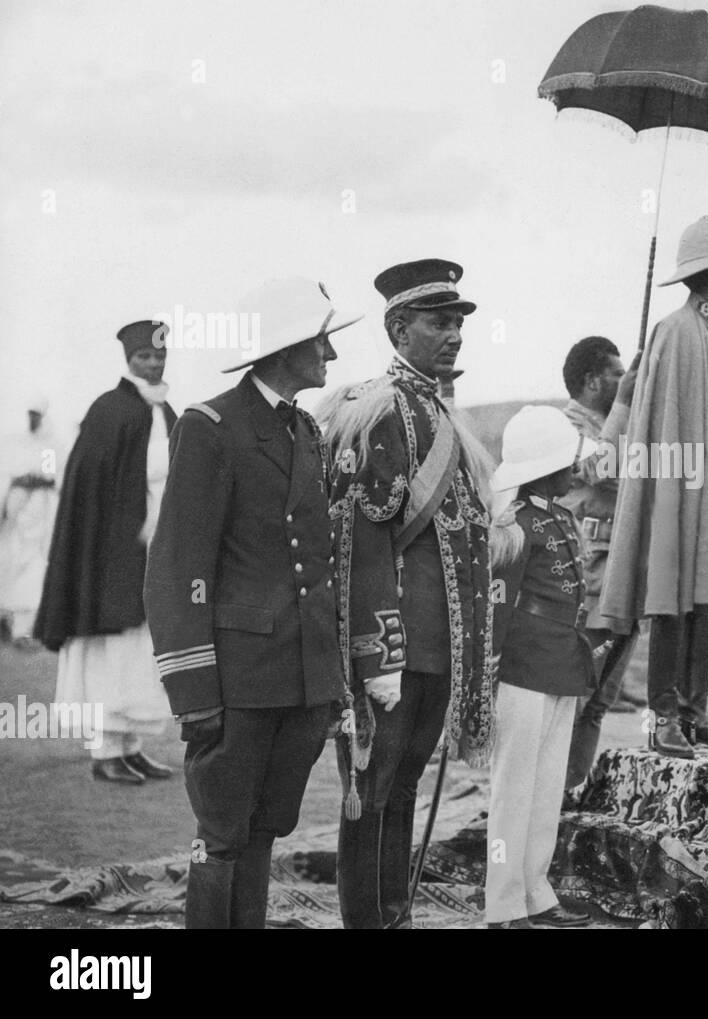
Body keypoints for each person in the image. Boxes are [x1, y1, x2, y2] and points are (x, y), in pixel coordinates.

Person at [144, 278, 359, 928]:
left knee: (264, 831)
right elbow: (178, 571)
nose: (332, 353)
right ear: (287, 345)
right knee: (221, 838)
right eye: (322, 338)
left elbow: (318, 566)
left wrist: (331, 685)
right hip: (236, 685)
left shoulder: (307, 431)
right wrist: (195, 692)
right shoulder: (210, 428)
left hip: (298, 683)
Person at [319, 259, 497, 929]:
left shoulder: (440, 409)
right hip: (391, 641)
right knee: (371, 784)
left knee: (406, 782)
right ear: (399, 327)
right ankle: (367, 918)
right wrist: (373, 649)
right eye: (439, 321)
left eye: (457, 322)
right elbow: (353, 541)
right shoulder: (377, 408)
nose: (454, 334)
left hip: (440, 641)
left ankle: (394, 913)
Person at [601, 216, 708, 758]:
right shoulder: (676, 332)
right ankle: (663, 716)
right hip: (687, 480)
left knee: (707, 596)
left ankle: (696, 712)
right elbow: (669, 423)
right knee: (674, 593)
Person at [35, 321, 176, 784]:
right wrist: (126, 530)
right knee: (111, 646)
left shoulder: (166, 411)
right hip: (114, 552)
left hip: (155, 547)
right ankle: (104, 748)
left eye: (159, 356)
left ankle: (131, 746)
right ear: (128, 359)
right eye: (144, 358)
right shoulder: (109, 409)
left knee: (142, 650)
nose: (153, 364)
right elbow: (90, 487)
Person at [486, 405, 599, 929]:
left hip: (560, 662)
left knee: (547, 785)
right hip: (522, 667)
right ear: (542, 467)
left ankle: (536, 889)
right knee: (514, 788)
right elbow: (498, 605)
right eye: (566, 462)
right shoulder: (513, 524)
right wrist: (484, 677)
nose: (575, 470)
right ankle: (503, 905)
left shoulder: (560, 515)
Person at [556, 336, 644, 792]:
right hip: (588, 580)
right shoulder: (566, 429)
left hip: (622, 579)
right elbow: (598, 470)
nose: (623, 380)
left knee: (598, 705)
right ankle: (551, 797)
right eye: (615, 373)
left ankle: (571, 791)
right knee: (575, 698)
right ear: (591, 382)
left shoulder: (621, 426)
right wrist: (626, 404)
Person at [0, 397, 63, 645]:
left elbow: (49, 478)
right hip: (17, 512)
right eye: (30, 414)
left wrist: (32, 480)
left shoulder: (48, 447)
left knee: (35, 568)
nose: (33, 419)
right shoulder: (17, 443)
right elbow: (10, 473)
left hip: (39, 514)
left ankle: (27, 628)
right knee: (12, 563)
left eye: (37, 415)